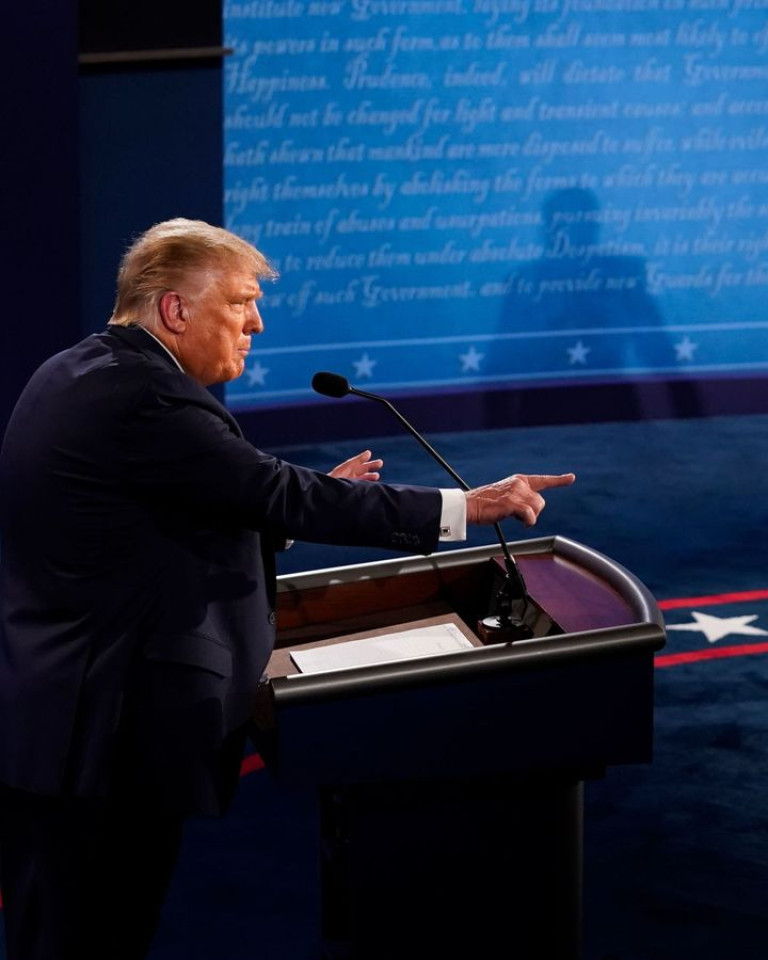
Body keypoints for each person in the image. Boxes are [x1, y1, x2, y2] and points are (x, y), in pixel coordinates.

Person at [0, 218, 575, 959]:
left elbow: (153, 527)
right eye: (240, 303)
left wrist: (275, 515)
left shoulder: (82, 369)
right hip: (102, 743)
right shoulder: (149, 399)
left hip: (58, 725)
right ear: (175, 310)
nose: (257, 322)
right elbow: (276, 491)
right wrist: (470, 507)